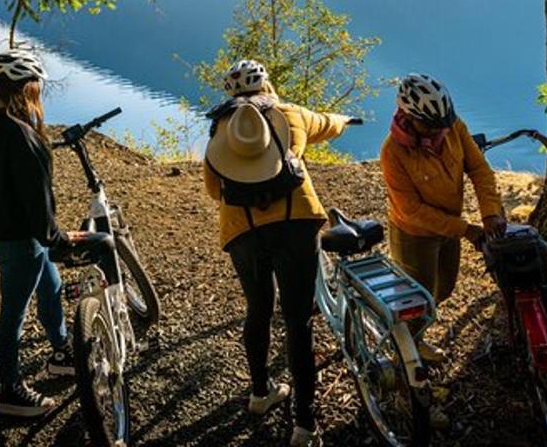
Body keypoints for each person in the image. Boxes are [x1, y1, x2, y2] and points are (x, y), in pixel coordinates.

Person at [202, 59, 353, 447]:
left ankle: (259, 392)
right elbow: (326, 122)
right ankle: (304, 426)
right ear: (266, 84)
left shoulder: (221, 126)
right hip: (297, 222)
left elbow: (213, 190)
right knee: (298, 322)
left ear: (232, 94)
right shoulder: (290, 114)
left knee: (258, 310)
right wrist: (345, 119)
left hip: (242, 230)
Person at [0, 49, 77, 418]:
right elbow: (38, 206)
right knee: (13, 314)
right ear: (28, 88)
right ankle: (11, 391)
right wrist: (58, 240)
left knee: (51, 285)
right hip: (20, 239)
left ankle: (61, 352)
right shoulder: (24, 137)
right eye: (37, 85)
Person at [380, 73, 507, 363]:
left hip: (449, 226)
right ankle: (406, 350)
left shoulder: (453, 127)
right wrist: (465, 229)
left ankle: (413, 332)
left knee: (444, 288)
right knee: (417, 296)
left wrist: (490, 213)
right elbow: (412, 209)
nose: (441, 130)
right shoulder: (393, 152)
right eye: (431, 125)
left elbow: (479, 170)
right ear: (409, 117)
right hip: (414, 233)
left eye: (444, 122)